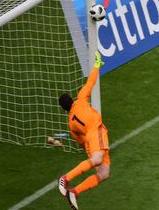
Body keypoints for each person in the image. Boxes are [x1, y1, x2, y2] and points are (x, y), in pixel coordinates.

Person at [58, 52, 110, 210]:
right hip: (97, 131)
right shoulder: (81, 99)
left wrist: (89, 148)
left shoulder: (71, 123)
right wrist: (96, 65)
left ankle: (74, 192)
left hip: (90, 139)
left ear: (64, 109)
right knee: (97, 159)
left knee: (104, 173)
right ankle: (65, 178)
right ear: (72, 100)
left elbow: (80, 142)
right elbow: (90, 82)